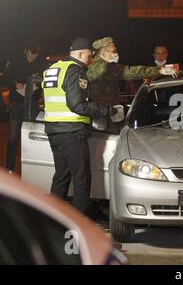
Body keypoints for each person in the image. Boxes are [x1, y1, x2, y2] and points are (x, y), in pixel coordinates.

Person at [42, 38, 120, 214]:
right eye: (89, 56)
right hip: (72, 131)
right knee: (81, 178)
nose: (90, 59)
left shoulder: (53, 69)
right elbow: (77, 105)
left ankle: (53, 219)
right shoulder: (75, 71)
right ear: (80, 54)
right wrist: (107, 110)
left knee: (61, 176)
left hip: (54, 131)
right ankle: (80, 224)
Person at [87, 37, 177, 107]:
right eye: (113, 51)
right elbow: (128, 71)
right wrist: (160, 70)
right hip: (100, 113)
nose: (116, 54)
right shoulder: (102, 67)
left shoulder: (99, 65)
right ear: (104, 54)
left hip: (106, 109)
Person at [4, 40, 47, 173]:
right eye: (30, 55)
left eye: (35, 55)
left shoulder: (41, 63)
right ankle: (10, 169)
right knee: (13, 137)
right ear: (25, 51)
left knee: (31, 136)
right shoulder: (15, 61)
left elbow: (45, 80)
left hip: (32, 104)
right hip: (17, 103)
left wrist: (37, 86)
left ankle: (31, 169)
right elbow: (5, 78)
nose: (32, 58)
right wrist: (14, 84)